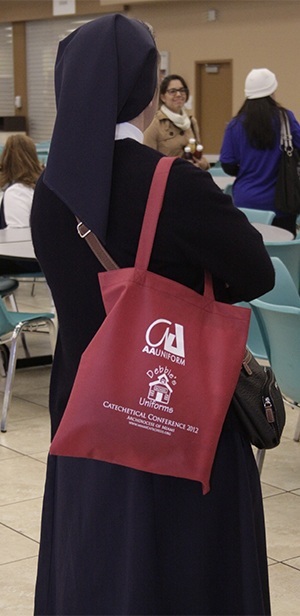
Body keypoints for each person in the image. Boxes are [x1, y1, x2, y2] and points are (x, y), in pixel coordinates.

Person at [31, 14, 275, 616]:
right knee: (186, 576)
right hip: (176, 417)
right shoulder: (175, 184)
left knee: (91, 574)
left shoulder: (50, 195)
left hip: (85, 418)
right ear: (144, 87)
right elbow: (258, 273)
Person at [220, 67, 300, 235]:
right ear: (272, 92)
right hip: (282, 201)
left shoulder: (235, 125)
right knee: (281, 251)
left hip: (245, 203)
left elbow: (227, 164)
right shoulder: (286, 119)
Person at [144, 73, 210, 169]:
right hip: (167, 179)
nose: (178, 94)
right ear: (163, 97)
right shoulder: (155, 123)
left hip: (189, 178)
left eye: (182, 90)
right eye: (172, 91)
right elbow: (148, 160)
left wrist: (203, 164)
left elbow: (197, 152)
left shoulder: (191, 121)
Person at [0, 134, 42, 274]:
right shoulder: (40, 187)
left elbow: (17, 238)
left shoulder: (16, 192)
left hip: (25, 259)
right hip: (40, 255)